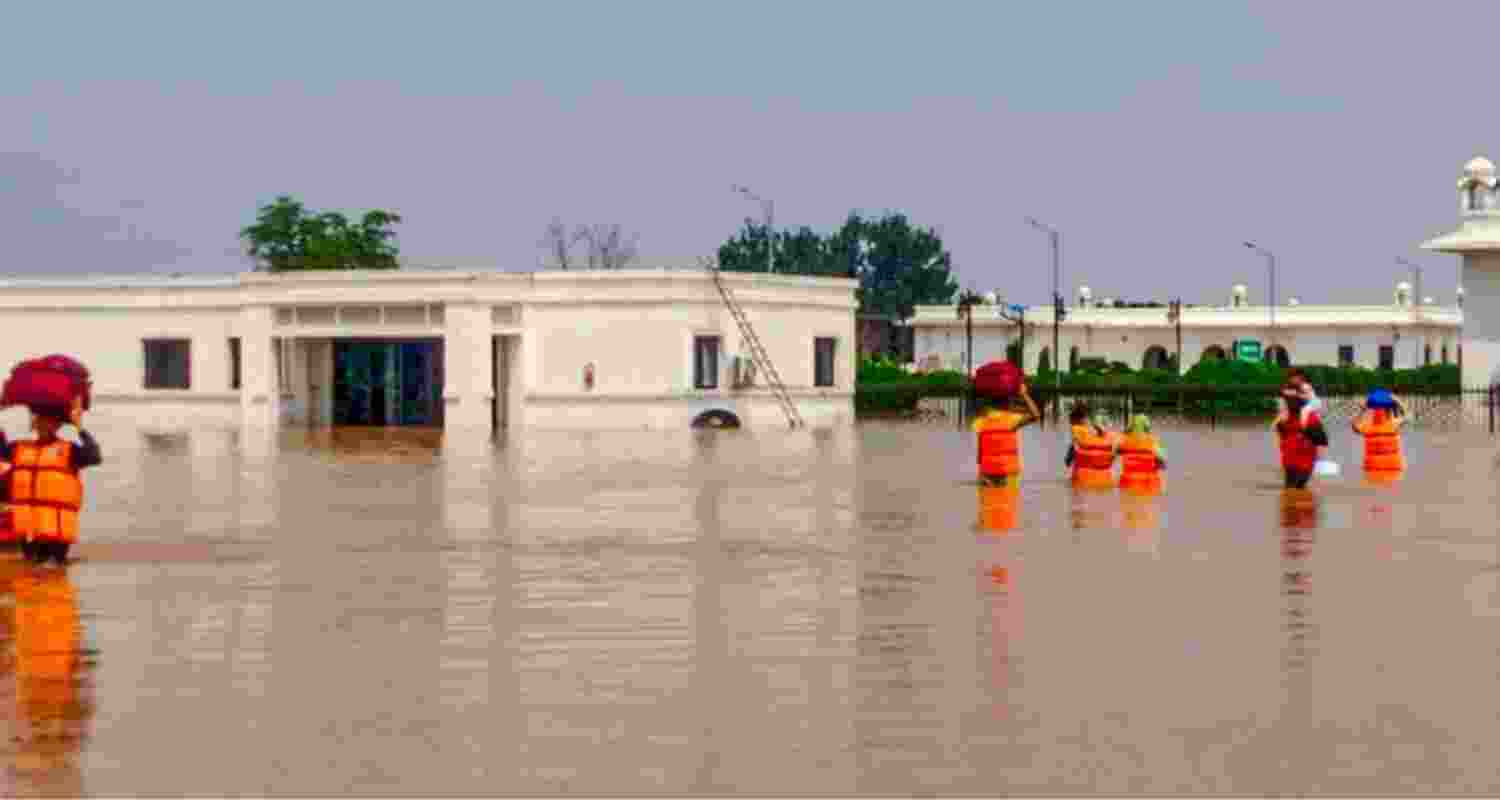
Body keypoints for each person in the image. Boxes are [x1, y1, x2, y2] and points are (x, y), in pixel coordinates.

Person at [1, 399, 102, 566]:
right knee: (29, 578)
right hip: (29, 531)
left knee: (53, 577)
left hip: (56, 533)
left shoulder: (69, 451)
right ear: (34, 423)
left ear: (57, 425)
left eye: (48, 421)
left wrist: (80, 428)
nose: (42, 424)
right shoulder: (19, 449)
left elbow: (94, 456)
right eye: (39, 420)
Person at [973, 382, 1041, 487]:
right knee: (1008, 501)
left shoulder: (980, 421)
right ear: (1008, 403)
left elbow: (980, 453)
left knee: (987, 501)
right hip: (1007, 473)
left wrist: (980, 475)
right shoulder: (1011, 420)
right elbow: (1035, 415)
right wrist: (1024, 394)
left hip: (987, 473)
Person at [1275, 389, 1328, 489]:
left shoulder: (1309, 417)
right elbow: (1281, 435)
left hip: (1303, 460)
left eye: (1290, 401)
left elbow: (1322, 439)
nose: (1287, 404)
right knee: (1293, 488)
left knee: (1295, 487)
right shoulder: (1283, 418)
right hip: (1291, 459)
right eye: (1287, 401)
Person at [1351, 388, 1407, 478]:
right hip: (1393, 471)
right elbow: (1406, 415)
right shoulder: (1394, 425)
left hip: (1371, 471)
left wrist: (1363, 409)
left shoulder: (1367, 427)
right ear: (1389, 412)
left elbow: (1354, 425)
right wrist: (1396, 400)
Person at [1067, 401, 1117, 488]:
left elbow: (1076, 443)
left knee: (1073, 450)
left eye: (1070, 420)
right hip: (1092, 457)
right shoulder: (1086, 427)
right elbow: (1101, 436)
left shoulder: (1077, 428)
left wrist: (1069, 458)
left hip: (1084, 457)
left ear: (1075, 419)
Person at [1117, 413, 1167, 494]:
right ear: (1147, 427)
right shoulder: (1153, 442)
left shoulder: (1124, 442)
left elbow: (1114, 452)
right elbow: (1163, 464)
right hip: (1149, 485)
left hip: (1129, 484)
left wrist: (1125, 432)